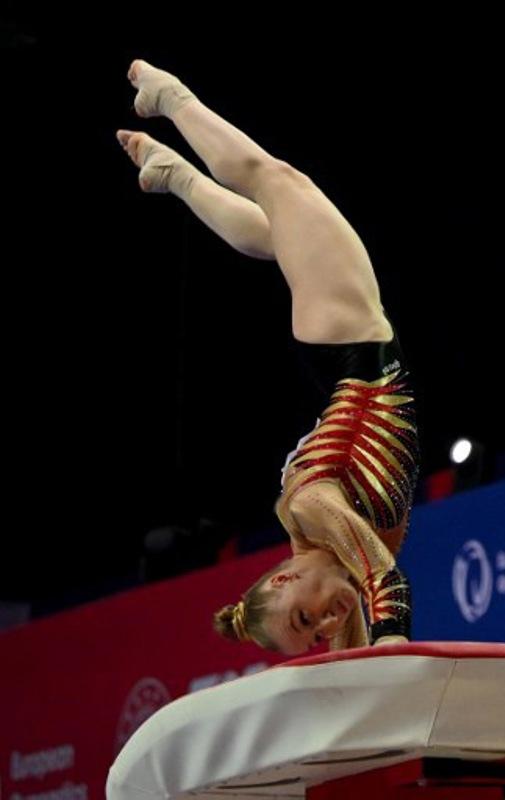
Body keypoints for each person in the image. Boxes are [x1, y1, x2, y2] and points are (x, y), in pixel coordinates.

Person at [116, 59, 417, 655]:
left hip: (349, 345)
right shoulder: (327, 557)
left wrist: (392, 640)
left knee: (278, 183)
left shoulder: (312, 508)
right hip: (343, 353)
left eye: (305, 620)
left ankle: (169, 96)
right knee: (279, 234)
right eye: (315, 636)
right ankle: (171, 172)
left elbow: (386, 577)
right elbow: (350, 651)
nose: (326, 624)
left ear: (283, 579)